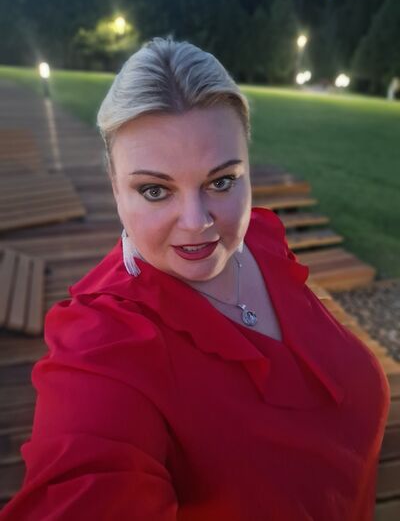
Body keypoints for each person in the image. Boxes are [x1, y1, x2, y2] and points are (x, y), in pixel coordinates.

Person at [0, 37, 390, 521]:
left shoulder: (260, 242)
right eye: (155, 190)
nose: (197, 221)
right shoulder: (105, 345)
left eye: (221, 182)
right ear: (115, 188)